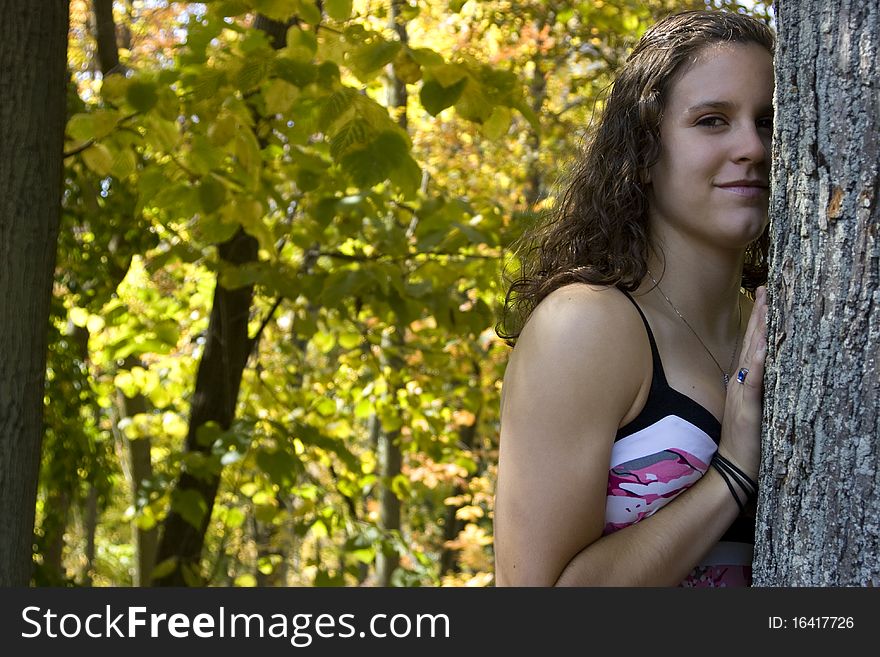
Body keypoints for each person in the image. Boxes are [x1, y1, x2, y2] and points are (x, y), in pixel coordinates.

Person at [493, 10, 773, 586]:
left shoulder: (782, 326)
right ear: (644, 152)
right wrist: (733, 473)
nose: (752, 146)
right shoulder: (586, 326)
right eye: (713, 120)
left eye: (768, 121)